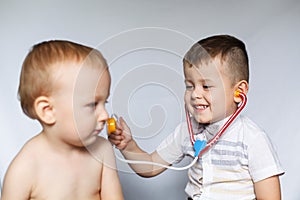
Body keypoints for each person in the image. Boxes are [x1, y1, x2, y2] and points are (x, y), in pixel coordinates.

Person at [108, 35, 284, 200]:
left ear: (239, 92)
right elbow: (150, 166)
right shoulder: (187, 131)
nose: (195, 94)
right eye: (189, 86)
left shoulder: (252, 139)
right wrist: (128, 145)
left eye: (206, 86)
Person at [1, 40, 124, 200]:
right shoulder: (25, 168)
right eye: (92, 105)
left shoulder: (102, 150)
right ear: (48, 111)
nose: (105, 115)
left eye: (104, 102)